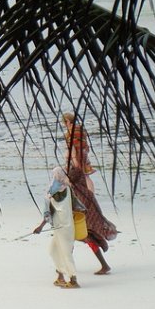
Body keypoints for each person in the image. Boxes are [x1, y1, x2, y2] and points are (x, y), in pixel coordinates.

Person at [61, 112, 117, 274]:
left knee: (74, 236)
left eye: (65, 122)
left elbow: (74, 159)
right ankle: (66, 269)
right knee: (81, 236)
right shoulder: (81, 135)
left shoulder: (75, 174)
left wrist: (72, 164)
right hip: (84, 209)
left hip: (81, 216)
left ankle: (64, 270)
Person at [33, 166, 80, 288]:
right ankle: (60, 277)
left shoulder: (53, 194)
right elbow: (77, 206)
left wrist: (40, 227)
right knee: (54, 250)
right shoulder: (68, 189)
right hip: (65, 227)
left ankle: (73, 280)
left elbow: (49, 212)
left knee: (65, 253)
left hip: (63, 228)